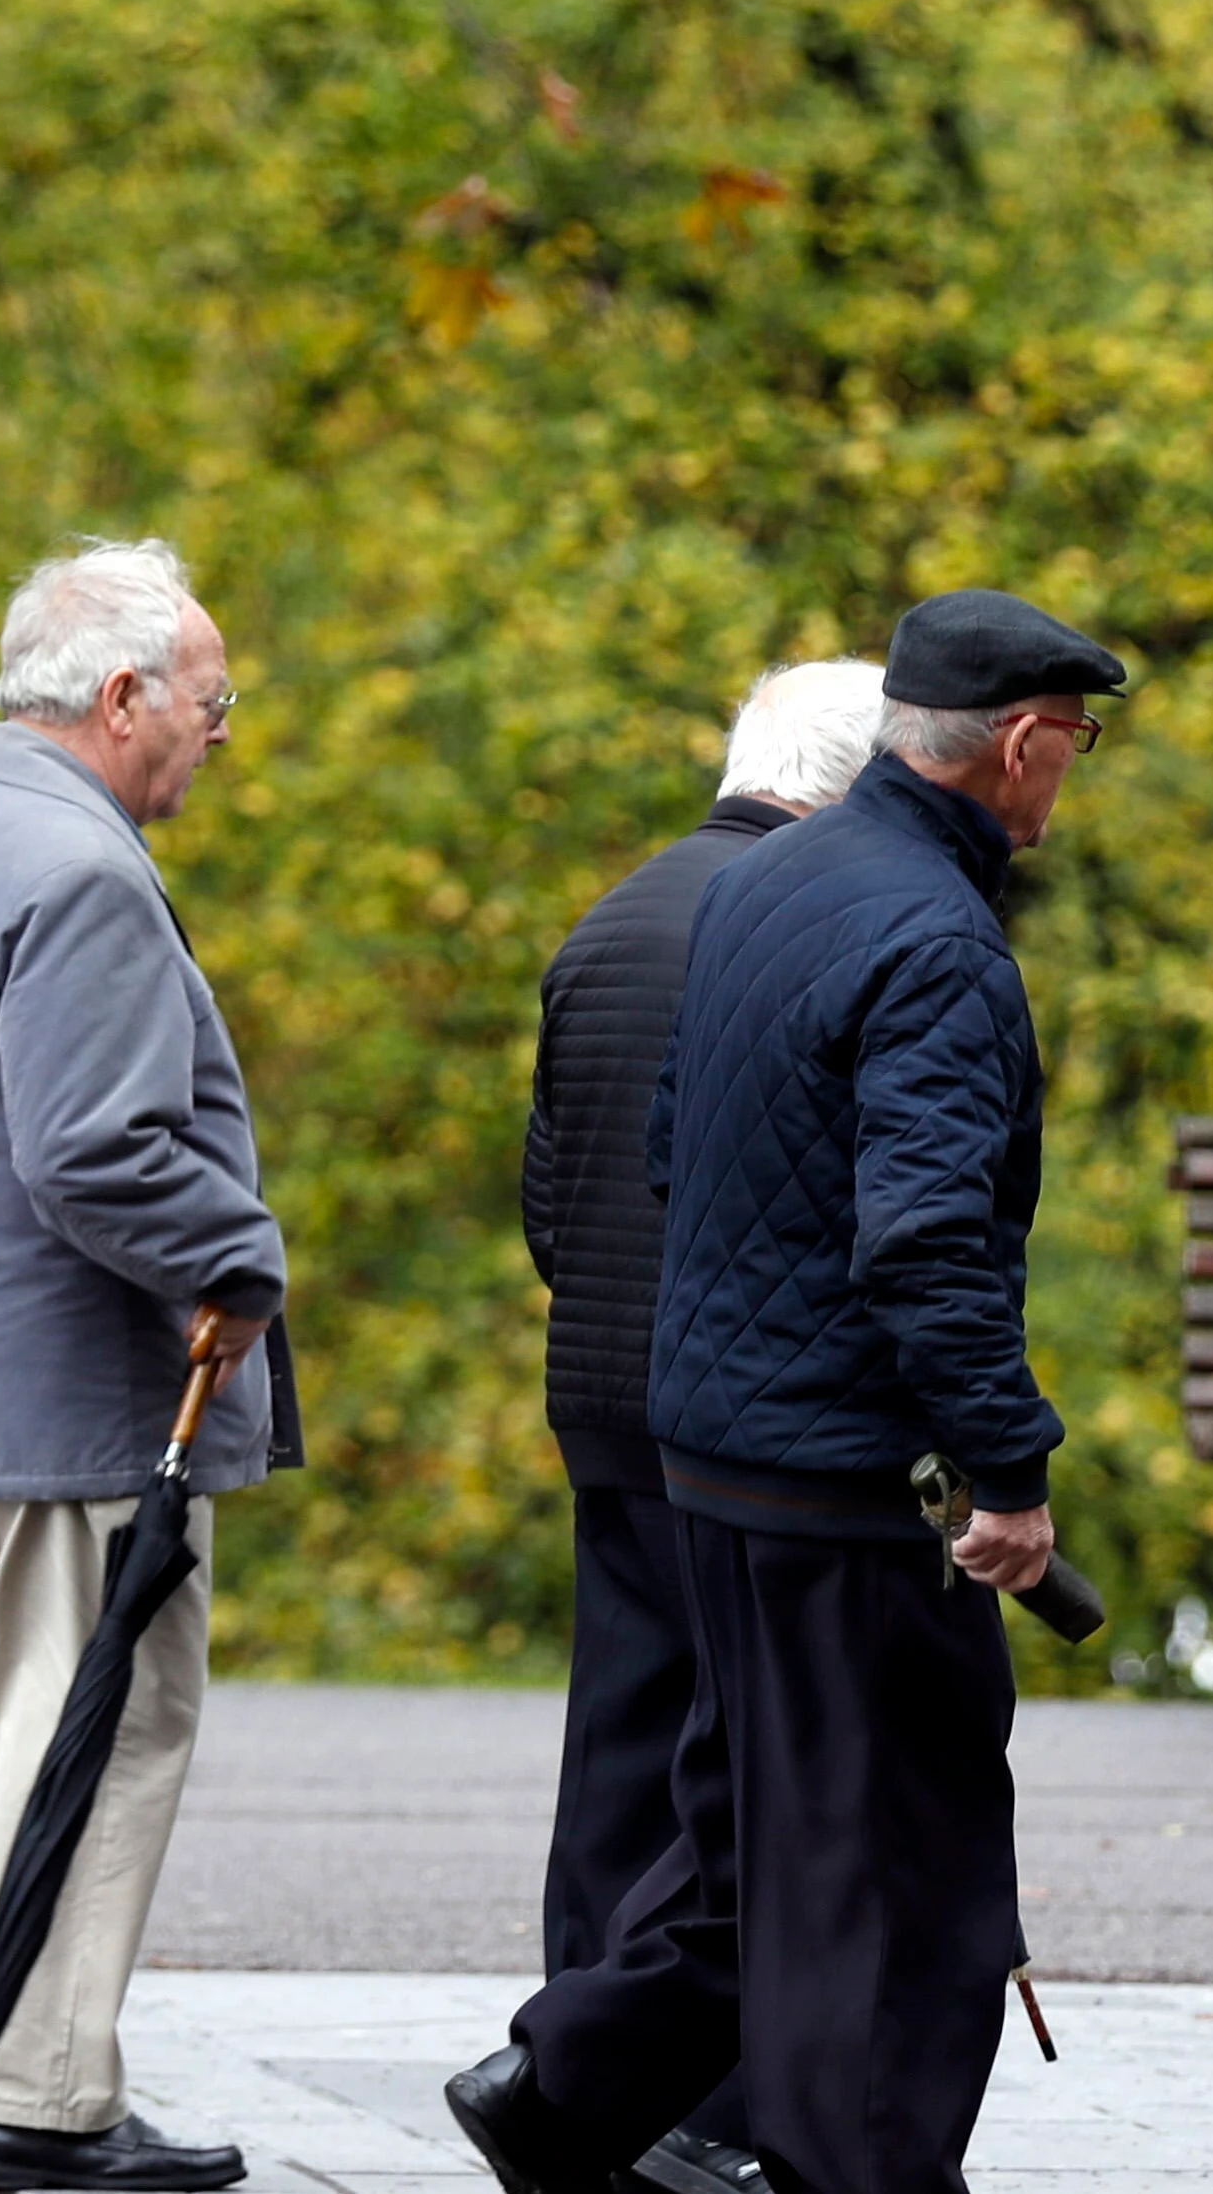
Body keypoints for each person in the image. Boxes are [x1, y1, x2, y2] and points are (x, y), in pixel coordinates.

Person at [445, 591, 1121, 2194]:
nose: (1068, 775)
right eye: (1073, 744)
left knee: (755, 1822)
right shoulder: (939, 942)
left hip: (717, 1459)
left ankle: (565, 2087)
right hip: (848, 1478)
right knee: (900, 1863)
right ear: (1020, 742)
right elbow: (927, 1240)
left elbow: (680, 1152)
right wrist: (1008, 1473)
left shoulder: (772, 886)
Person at [0, 540, 295, 2194]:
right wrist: (241, 1257)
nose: (217, 736)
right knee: (117, 1718)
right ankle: (40, 2095)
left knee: (41, 1698)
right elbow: (94, 1154)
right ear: (121, 697)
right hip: (84, 1382)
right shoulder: (75, 867)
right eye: (211, 705)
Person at [519, 658, 886, 2194]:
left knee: (616, 1745)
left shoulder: (612, 913)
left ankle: (566, 2081)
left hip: (598, 1386)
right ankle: (690, 2103)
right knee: (743, 1767)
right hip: (734, 1410)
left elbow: (549, 1185)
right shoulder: (800, 923)